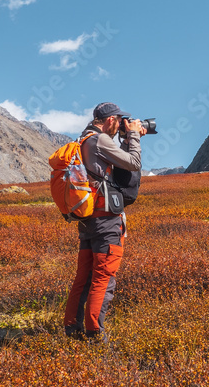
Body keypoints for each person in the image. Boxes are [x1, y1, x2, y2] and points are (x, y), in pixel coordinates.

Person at [63, 102, 147, 341]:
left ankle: (72, 329)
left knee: (84, 277)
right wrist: (133, 136)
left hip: (89, 221)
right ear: (111, 120)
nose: (122, 125)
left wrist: (125, 137)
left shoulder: (84, 140)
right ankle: (94, 334)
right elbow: (133, 163)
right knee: (104, 278)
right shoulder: (100, 140)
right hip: (107, 221)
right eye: (121, 121)